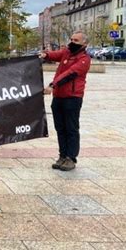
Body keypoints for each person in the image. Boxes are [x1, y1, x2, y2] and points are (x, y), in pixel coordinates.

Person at [40, 31, 91, 171]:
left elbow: (69, 74)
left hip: (72, 98)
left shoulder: (84, 59)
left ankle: (71, 158)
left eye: (76, 40)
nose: (72, 42)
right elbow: (56, 54)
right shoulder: (67, 52)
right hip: (59, 98)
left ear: (84, 43)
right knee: (60, 128)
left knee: (71, 129)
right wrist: (46, 54)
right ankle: (62, 156)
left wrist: (52, 85)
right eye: (71, 39)